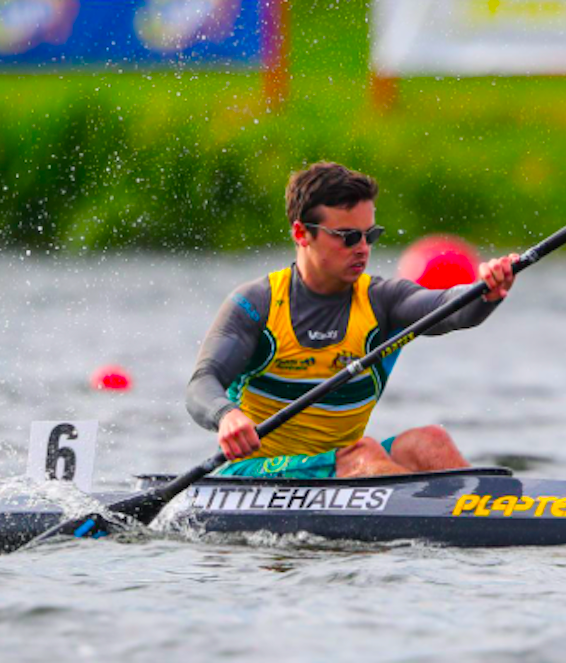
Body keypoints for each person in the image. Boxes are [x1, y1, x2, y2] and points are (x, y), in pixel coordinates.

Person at [186, 162, 518, 479]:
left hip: (347, 468)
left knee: (431, 441)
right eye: (347, 237)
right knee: (364, 455)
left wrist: (486, 291)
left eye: (369, 235)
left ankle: (493, 509)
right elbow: (202, 382)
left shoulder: (382, 300)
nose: (362, 249)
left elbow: (452, 309)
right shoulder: (257, 304)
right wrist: (225, 415)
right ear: (302, 233)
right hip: (257, 472)